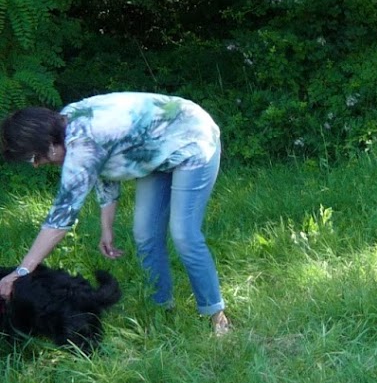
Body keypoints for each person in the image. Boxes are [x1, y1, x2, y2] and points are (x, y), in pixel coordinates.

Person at [1, 93, 232, 335]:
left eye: (34, 157)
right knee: (145, 234)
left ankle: (216, 315)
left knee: (184, 234)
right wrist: (106, 227)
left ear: (47, 142)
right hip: (156, 152)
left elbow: (59, 221)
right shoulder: (65, 126)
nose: (36, 165)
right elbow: (104, 168)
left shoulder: (82, 144)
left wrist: (22, 271)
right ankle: (162, 307)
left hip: (192, 138)